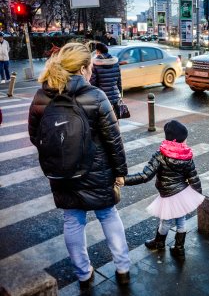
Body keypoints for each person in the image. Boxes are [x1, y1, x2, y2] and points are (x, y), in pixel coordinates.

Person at [28, 43, 131, 289]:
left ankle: (83, 274)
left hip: (62, 173)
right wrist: (120, 172)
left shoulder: (42, 96)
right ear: (83, 68)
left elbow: (36, 136)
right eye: (90, 68)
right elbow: (114, 140)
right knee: (108, 215)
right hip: (98, 171)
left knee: (72, 220)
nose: (91, 73)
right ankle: (123, 268)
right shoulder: (95, 96)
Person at [123, 120, 204, 261]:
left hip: (168, 195)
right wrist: (198, 195)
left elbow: (145, 176)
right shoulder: (187, 156)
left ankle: (159, 242)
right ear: (179, 140)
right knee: (181, 221)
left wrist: (124, 180)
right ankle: (179, 248)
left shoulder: (160, 155)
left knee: (166, 222)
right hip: (183, 194)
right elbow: (194, 178)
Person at [90, 42, 122, 118]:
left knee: (105, 120)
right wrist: (119, 94)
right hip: (115, 97)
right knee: (115, 118)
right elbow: (119, 82)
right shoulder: (115, 63)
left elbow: (93, 83)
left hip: (102, 98)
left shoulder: (95, 64)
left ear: (98, 51)